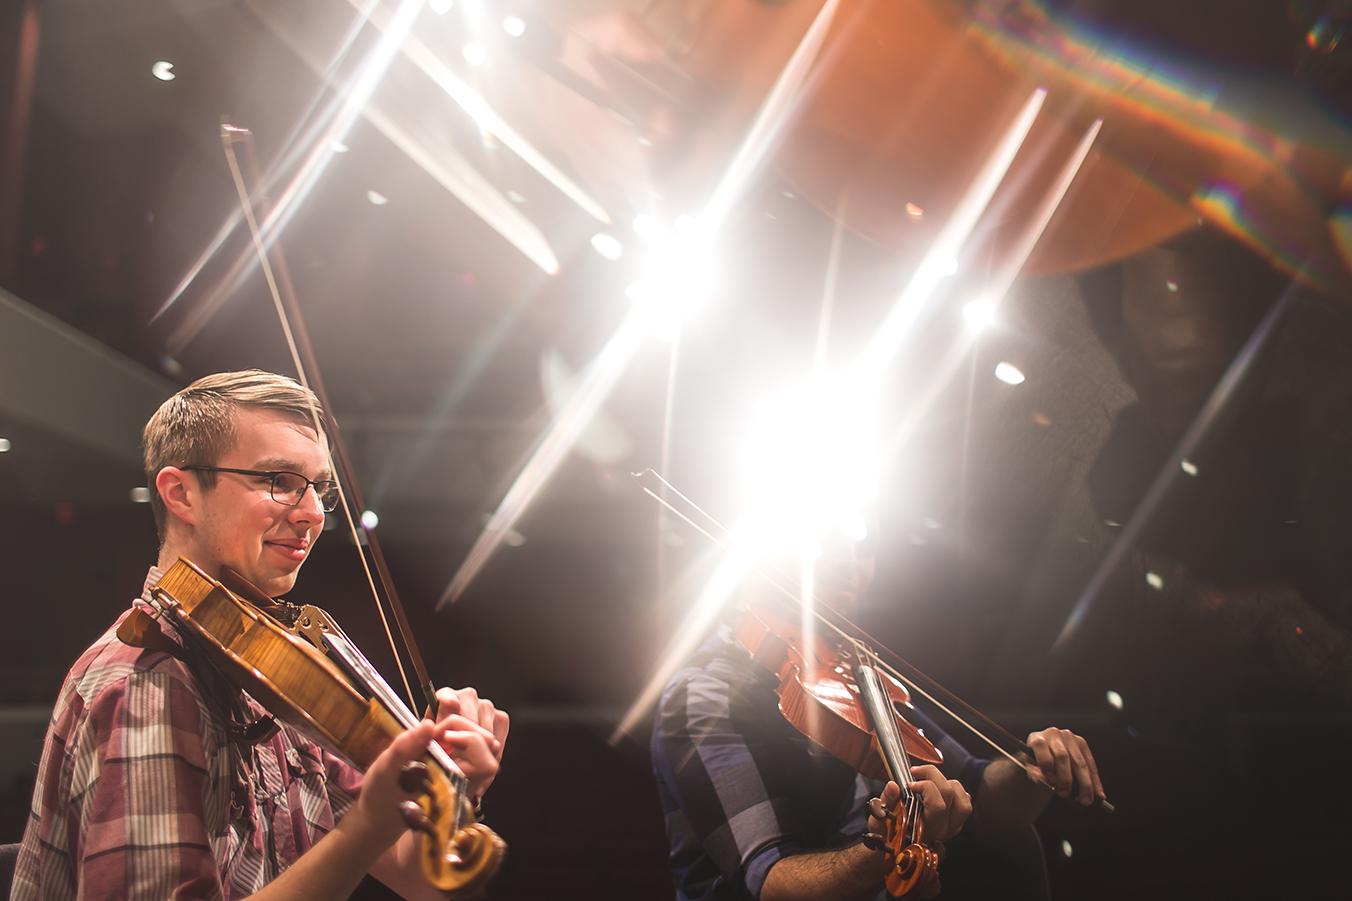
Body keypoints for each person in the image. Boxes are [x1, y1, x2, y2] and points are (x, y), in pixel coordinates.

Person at [11, 370, 510, 900]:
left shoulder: (269, 667)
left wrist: (452, 786)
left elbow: (423, 883)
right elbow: (367, 837)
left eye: (319, 488)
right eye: (280, 481)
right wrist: (365, 825)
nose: (313, 514)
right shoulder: (146, 680)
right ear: (181, 493)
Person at [651, 524, 1107, 901]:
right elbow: (770, 881)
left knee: (1013, 846)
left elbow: (977, 792)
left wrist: (1037, 768)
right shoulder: (704, 695)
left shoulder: (850, 667)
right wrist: (885, 848)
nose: (850, 561)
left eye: (860, 542)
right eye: (823, 540)